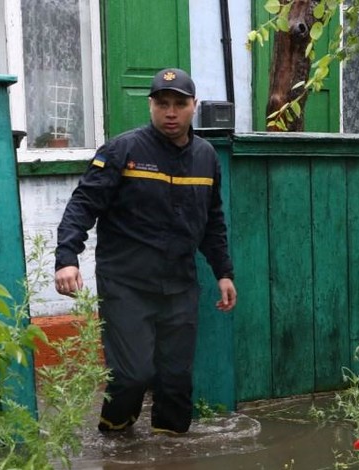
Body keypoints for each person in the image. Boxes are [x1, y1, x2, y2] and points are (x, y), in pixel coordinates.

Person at [53, 68, 237, 434]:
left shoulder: (206, 157)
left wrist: (223, 272)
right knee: (132, 375)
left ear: (193, 106)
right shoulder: (123, 150)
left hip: (179, 285)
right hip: (126, 283)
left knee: (176, 380)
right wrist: (66, 258)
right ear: (151, 105)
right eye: (162, 103)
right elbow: (83, 205)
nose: (171, 112)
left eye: (180, 104)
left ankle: (172, 453)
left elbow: (212, 221)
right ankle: (115, 438)